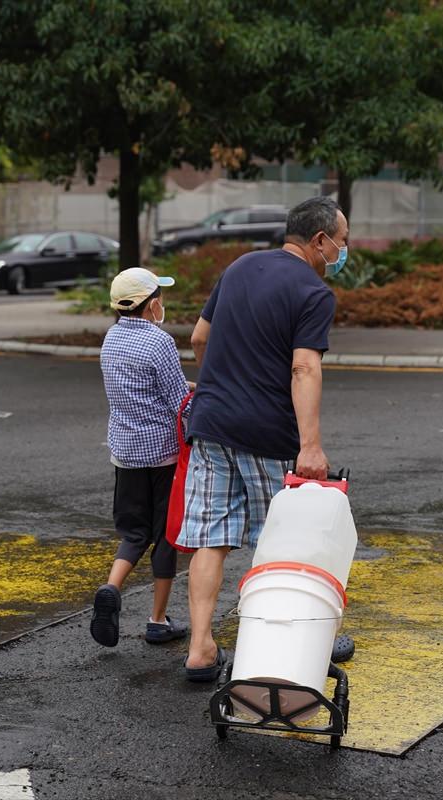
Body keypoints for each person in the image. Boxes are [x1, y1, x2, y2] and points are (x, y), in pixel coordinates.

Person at [176, 195, 347, 682]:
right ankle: (300, 641)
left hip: (210, 424)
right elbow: (304, 366)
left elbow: (198, 339)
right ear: (319, 241)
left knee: (211, 539)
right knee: (289, 541)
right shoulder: (313, 293)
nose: (342, 252)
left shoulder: (240, 266)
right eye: (342, 243)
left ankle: (200, 648)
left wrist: (218, 387)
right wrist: (309, 445)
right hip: (269, 433)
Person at [91, 267, 192, 648]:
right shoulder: (159, 342)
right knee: (165, 536)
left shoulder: (111, 339)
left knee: (134, 531)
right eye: (159, 298)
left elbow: (141, 388)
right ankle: (158, 619)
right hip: (162, 454)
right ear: (151, 305)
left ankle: (111, 588)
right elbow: (176, 402)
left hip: (126, 451)